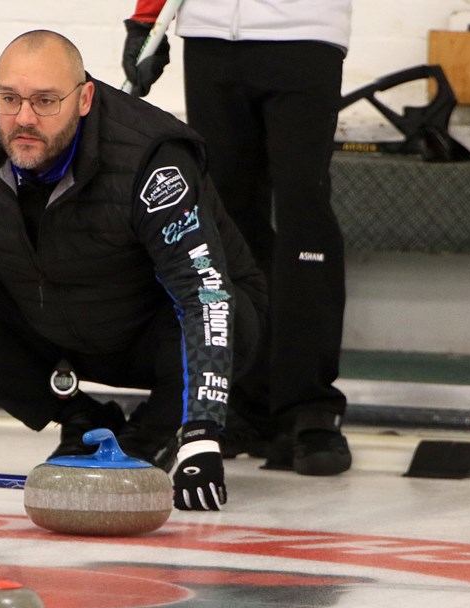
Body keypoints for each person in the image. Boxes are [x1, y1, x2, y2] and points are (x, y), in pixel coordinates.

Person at [0, 30, 267, 511]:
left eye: (46, 101)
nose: (24, 118)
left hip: (160, 335)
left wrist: (201, 432)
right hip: (57, 322)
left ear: (85, 97)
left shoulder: (151, 160)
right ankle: (82, 419)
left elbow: (206, 298)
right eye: (9, 98)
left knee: (229, 309)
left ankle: (155, 431)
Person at [122, 0, 352, 475]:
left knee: (303, 216)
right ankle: (244, 399)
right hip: (211, 38)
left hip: (304, 33)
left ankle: (310, 407)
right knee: (226, 219)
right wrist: (146, 20)